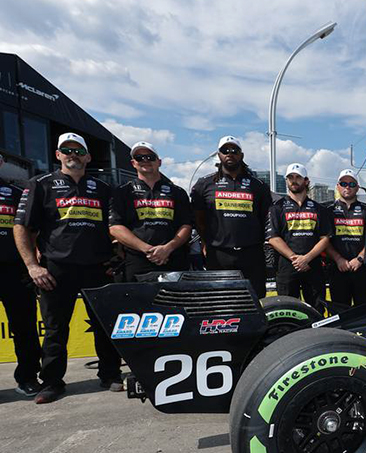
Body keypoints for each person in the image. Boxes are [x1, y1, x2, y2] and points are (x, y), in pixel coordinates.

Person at [13, 132, 123, 403]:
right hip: (55, 268)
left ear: (87, 156)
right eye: (67, 150)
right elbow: (22, 227)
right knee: (55, 328)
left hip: (97, 268)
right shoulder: (40, 184)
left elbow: (115, 228)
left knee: (103, 325)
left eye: (78, 151)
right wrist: (32, 266)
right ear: (58, 155)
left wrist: (115, 259)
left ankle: (110, 374)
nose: (73, 155)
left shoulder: (102, 188)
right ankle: (51, 382)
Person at [190, 136, 272, 298]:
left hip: (252, 253)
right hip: (219, 254)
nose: (230, 154)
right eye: (225, 151)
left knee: (256, 300)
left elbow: (266, 217)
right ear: (218, 155)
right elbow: (198, 218)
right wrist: (206, 242)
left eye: (234, 150)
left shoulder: (258, 185)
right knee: (220, 300)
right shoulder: (204, 184)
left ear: (241, 155)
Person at [110, 141, 192, 280]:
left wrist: (167, 248)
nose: (145, 161)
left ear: (159, 162)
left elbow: (187, 225)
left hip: (173, 258)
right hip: (137, 260)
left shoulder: (177, 192)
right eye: (140, 158)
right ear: (133, 163)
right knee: (138, 302)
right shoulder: (122, 192)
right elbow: (115, 227)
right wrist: (147, 249)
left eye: (150, 157)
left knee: (176, 301)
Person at [0, 153, 42, 396]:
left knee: (24, 327)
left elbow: (31, 229)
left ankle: (27, 377)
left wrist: (33, 263)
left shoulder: (16, 193)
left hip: (15, 268)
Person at [266, 163, 331, 309]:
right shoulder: (277, 207)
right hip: (287, 266)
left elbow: (325, 238)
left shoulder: (319, 209)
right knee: (287, 309)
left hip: (312, 265)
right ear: (287, 181)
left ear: (306, 181)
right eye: (290, 178)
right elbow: (273, 238)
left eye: (298, 177)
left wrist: (306, 258)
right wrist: (295, 259)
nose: (294, 181)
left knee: (317, 309)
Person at [325, 169, 366, 307]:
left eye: (352, 184)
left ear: (357, 187)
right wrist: (338, 259)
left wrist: (359, 259)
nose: (347, 187)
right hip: (337, 269)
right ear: (338, 186)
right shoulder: (328, 210)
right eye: (343, 183)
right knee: (340, 313)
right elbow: (324, 240)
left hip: (362, 269)